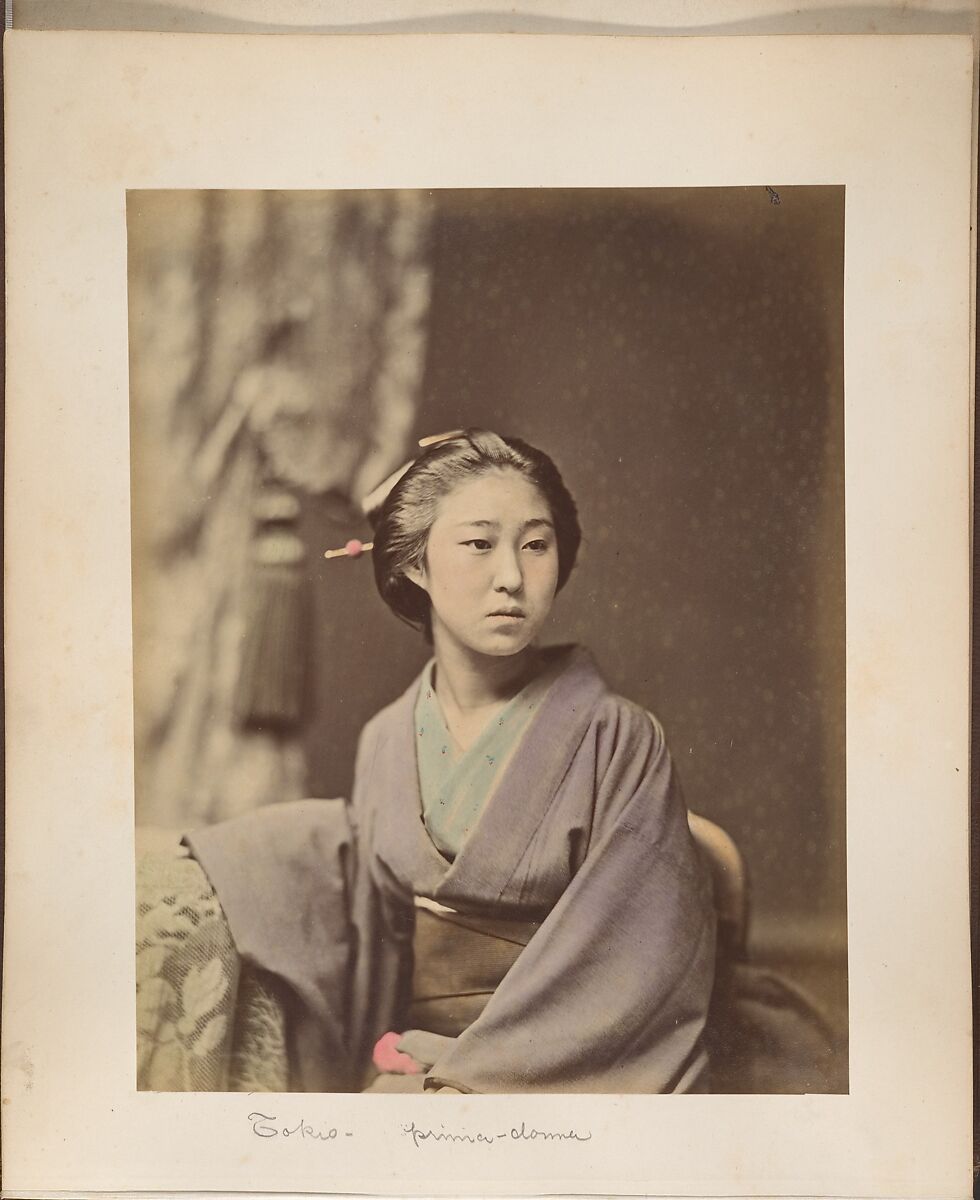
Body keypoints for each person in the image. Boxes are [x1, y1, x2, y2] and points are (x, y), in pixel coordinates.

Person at [186, 429, 717, 1094]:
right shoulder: (385, 739)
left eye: (536, 544)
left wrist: (468, 1075)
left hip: (561, 1074)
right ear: (415, 564)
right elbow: (375, 956)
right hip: (416, 1062)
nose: (512, 577)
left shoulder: (621, 740)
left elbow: (636, 970)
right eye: (478, 543)